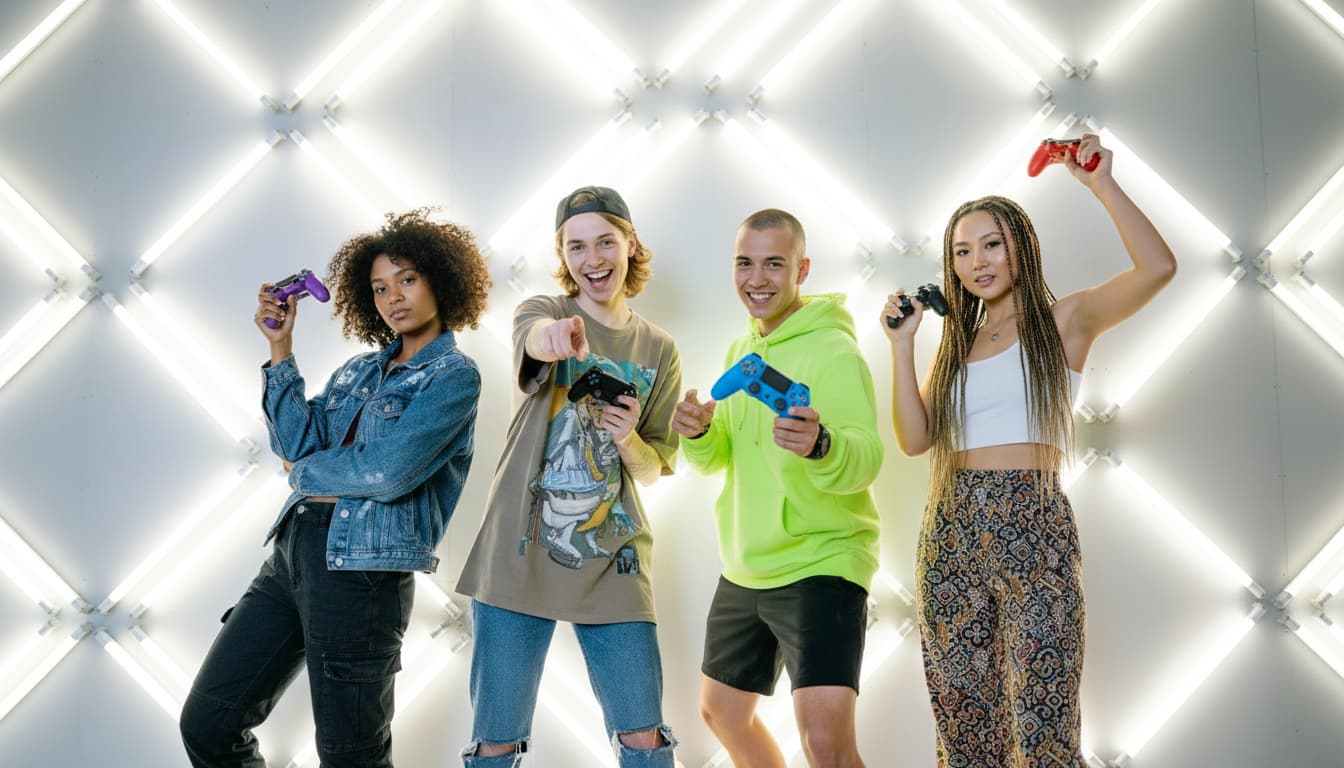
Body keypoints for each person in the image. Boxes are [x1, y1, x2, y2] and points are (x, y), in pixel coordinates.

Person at [882, 134, 1176, 766]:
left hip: (1032, 521)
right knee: (966, 735)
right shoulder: (956, 342)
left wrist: (1100, 184)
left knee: (1045, 726)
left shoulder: (1064, 322)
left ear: (1022, 246)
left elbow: (1158, 268)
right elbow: (914, 439)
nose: (977, 261)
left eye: (992, 244)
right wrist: (903, 346)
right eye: (962, 251)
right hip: (950, 529)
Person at [180, 209, 491, 768]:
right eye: (378, 288)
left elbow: (389, 472)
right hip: (290, 555)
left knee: (351, 756)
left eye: (407, 279)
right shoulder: (356, 371)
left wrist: (305, 474)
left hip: (362, 576)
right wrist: (281, 347)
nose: (393, 297)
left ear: (441, 281)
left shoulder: (454, 377)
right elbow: (296, 444)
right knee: (209, 721)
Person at [455, 186, 682, 766]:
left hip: (613, 552)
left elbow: (654, 468)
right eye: (576, 246)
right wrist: (553, 340)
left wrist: (627, 437)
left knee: (644, 735)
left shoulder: (659, 348)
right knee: (496, 740)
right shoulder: (546, 311)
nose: (593, 259)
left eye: (606, 241)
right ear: (563, 254)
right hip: (521, 544)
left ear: (630, 244)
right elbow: (532, 337)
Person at [673, 208, 883, 768]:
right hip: (747, 564)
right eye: (745, 263)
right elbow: (721, 459)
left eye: (774, 263)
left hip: (821, 560)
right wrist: (697, 434)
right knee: (721, 712)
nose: (757, 278)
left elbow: (866, 459)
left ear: (802, 269)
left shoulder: (834, 352)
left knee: (826, 745)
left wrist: (821, 444)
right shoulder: (741, 354)